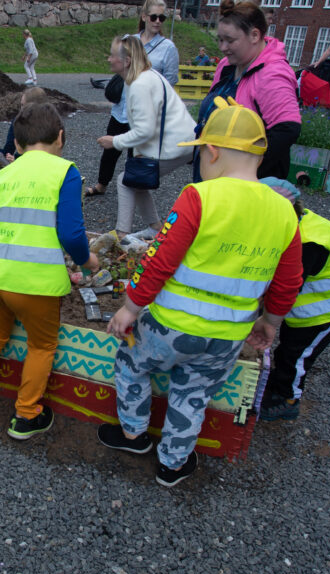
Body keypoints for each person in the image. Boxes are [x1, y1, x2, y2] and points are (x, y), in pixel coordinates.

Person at [98, 97, 302, 487]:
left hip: (169, 326)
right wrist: (271, 322)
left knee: (132, 364)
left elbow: (159, 259)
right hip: (226, 337)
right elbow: (288, 281)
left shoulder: (199, 197)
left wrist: (131, 307)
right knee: (192, 395)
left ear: (211, 151)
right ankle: (172, 464)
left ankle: (133, 435)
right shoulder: (283, 212)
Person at [0, 102, 100, 440]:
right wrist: (88, 262)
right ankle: (26, 414)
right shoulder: (65, 171)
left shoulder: (2, 175)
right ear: (61, 137)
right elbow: (71, 234)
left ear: (16, 143)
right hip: (37, 282)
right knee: (42, 346)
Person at [257, 178, 330, 421]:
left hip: (327, 308)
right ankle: (278, 382)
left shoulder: (309, 244)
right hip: (309, 302)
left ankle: (288, 398)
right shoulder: (293, 221)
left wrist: (260, 317)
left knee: (297, 354)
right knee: (287, 349)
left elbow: (283, 288)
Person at [97, 35, 196, 236]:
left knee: (125, 181)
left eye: (113, 55)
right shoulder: (144, 77)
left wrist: (114, 141)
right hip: (182, 141)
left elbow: (145, 130)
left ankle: (122, 235)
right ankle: (155, 228)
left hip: (177, 144)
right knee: (136, 179)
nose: (109, 59)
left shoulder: (139, 84)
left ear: (126, 61)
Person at [192, 0, 300, 181]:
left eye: (230, 40)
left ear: (255, 35)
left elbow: (287, 130)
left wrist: (247, 172)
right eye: (220, 39)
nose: (222, 47)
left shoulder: (273, 74)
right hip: (215, 173)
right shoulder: (227, 65)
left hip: (243, 183)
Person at [85, 1, 180, 198]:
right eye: (153, 16)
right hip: (122, 108)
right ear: (144, 16)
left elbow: (169, 81)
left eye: (161, 18)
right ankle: (102, 184)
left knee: (135, 154)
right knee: (110, 151)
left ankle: (132, 189)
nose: (157, 21)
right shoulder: (129, 41)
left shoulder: (168, 48)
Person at [2, 87, 48, 162]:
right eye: (21, 105)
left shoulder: (50, 126)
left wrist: (17, 160)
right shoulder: (17, 122)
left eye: (23, 105)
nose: (21, 109)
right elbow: (7, 152)